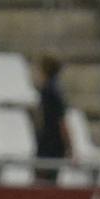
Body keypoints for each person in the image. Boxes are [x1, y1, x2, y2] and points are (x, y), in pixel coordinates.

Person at [33, 55, 69, 184]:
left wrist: (70, 146)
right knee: (49, 181)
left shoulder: (49, 92)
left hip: (49, 144)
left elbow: (61, 121)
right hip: (53, 143)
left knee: (43, 181)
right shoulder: (54, 90)